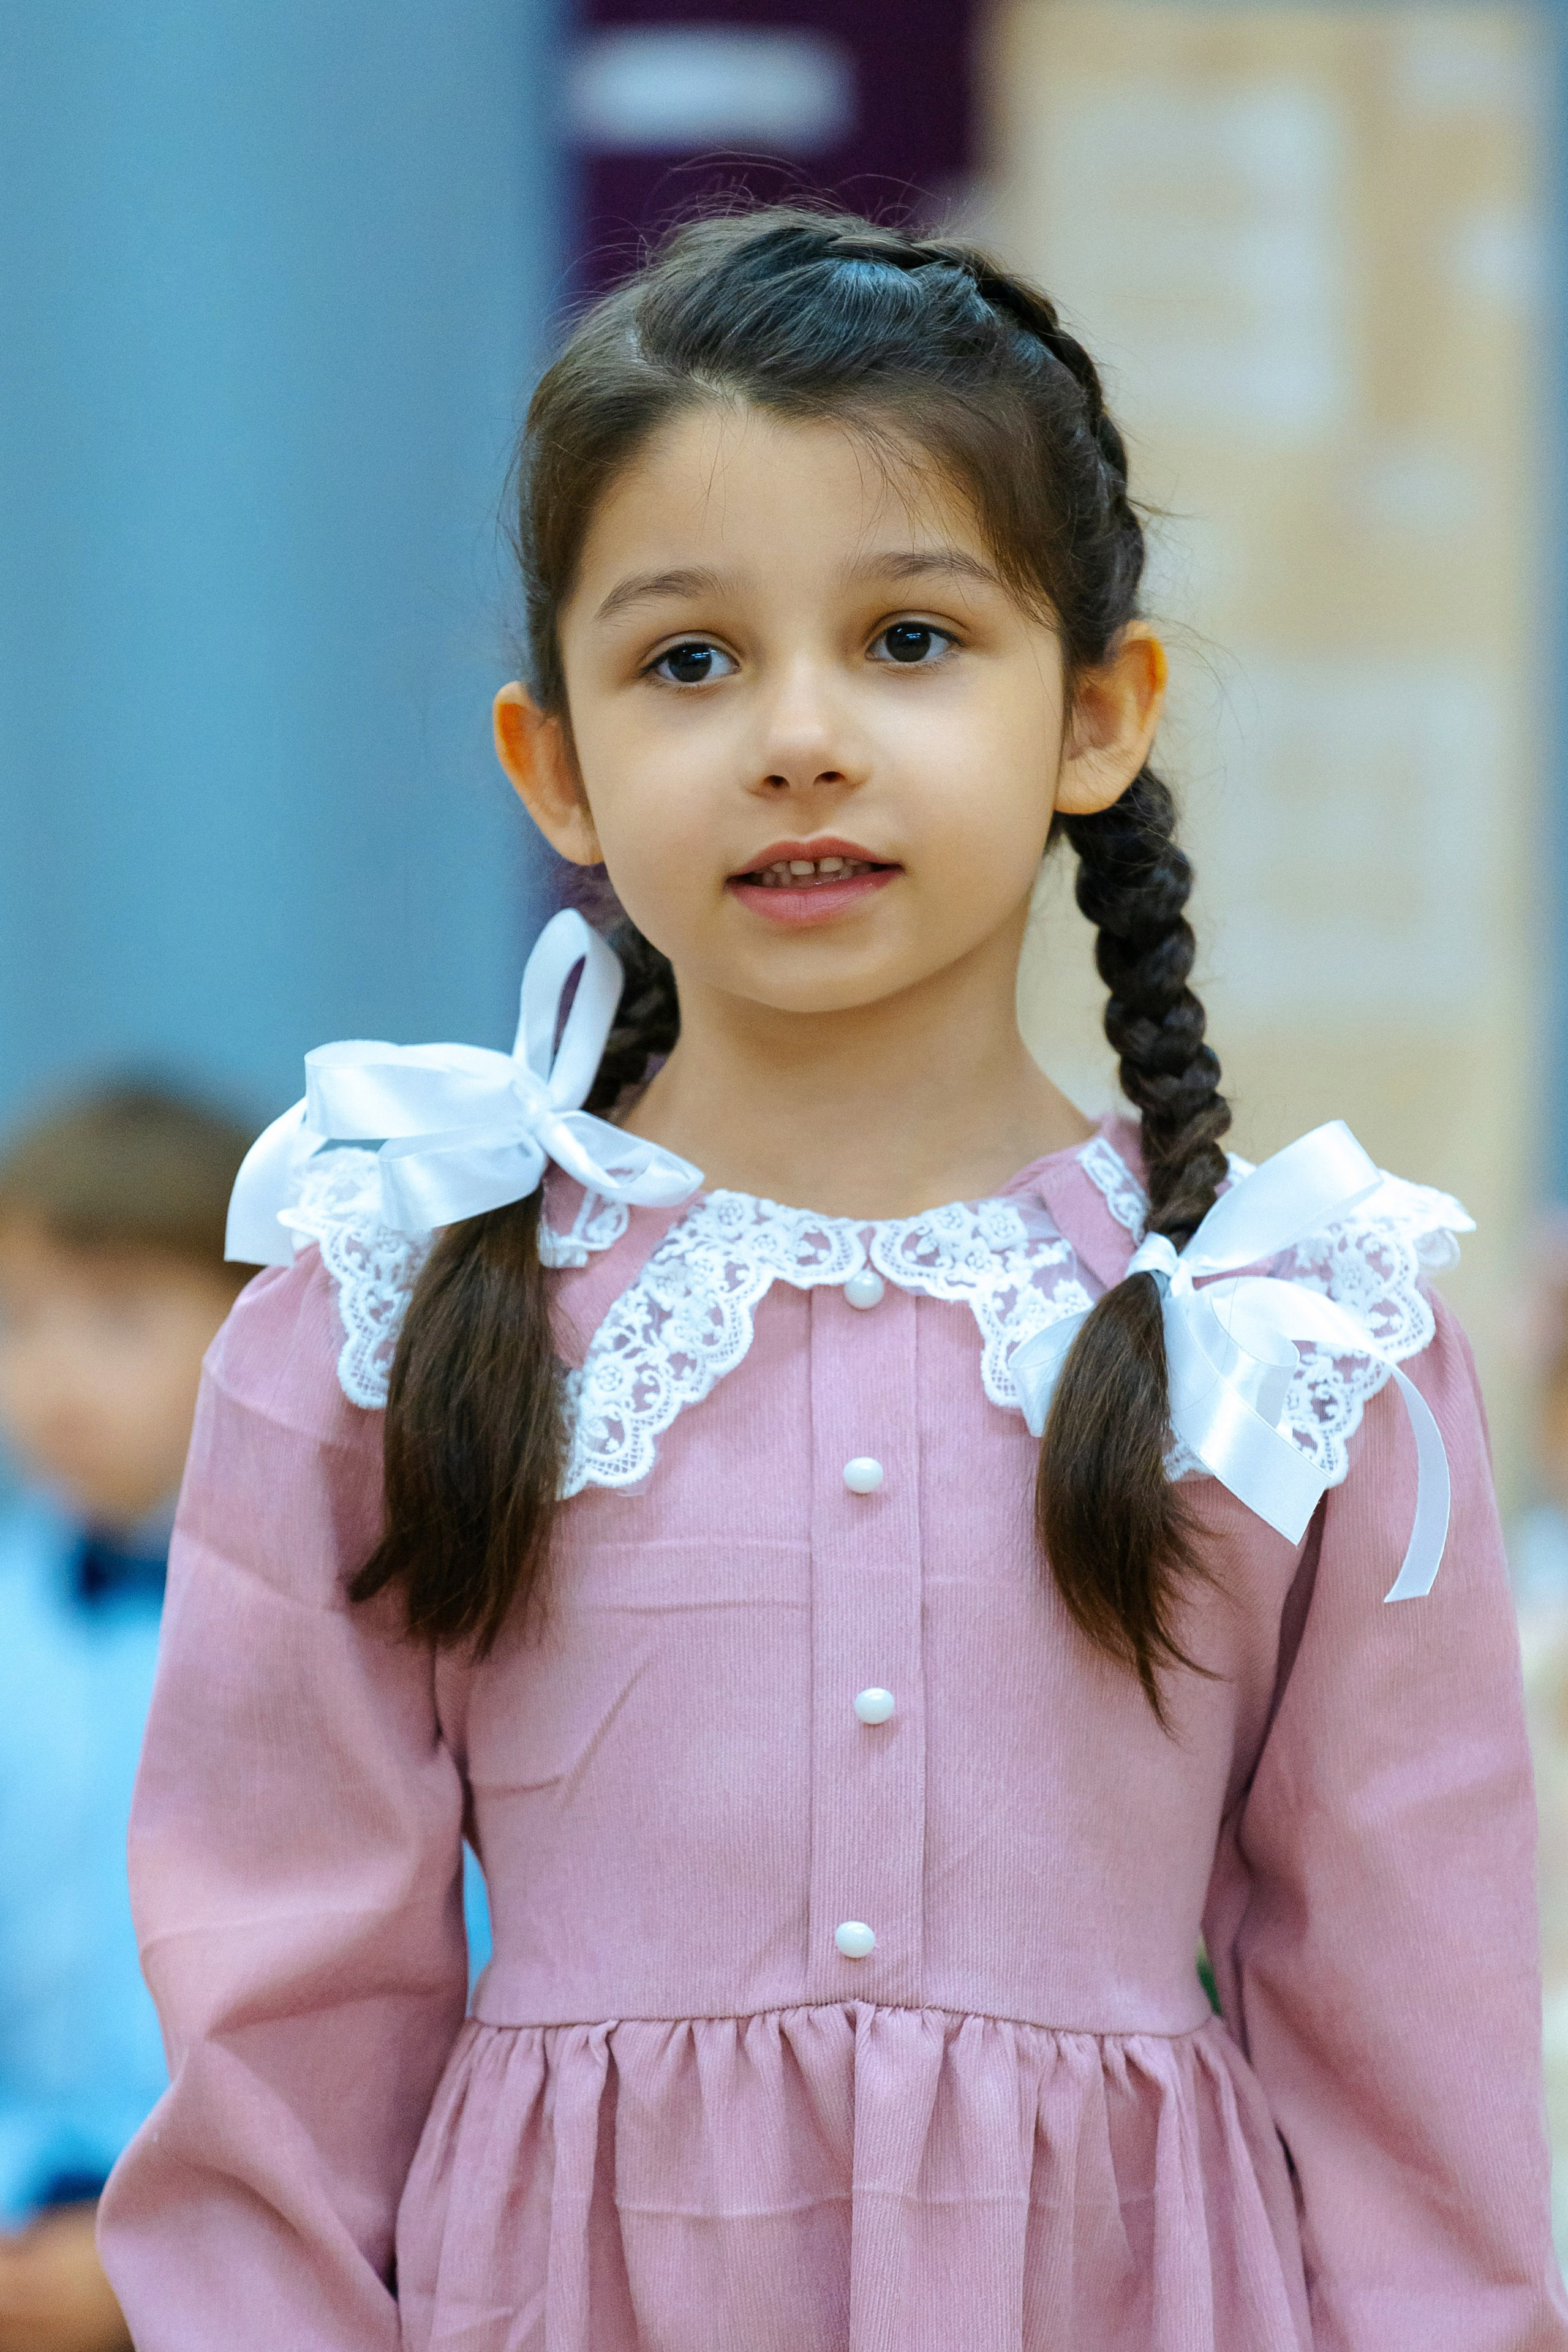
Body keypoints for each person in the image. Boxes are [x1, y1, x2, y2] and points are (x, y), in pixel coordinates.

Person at [98, 209, 1567, 2349]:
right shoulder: (391, 1301)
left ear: (1098, 715)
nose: (800, 737)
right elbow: (276, 2025)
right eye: (688, 660)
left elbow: (1411, 2047)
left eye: (909, 640)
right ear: (554, 764)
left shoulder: (1295, 1333)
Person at [0, 1084, 255, 2352]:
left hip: (251, 2247)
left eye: (118, 1322)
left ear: (254, 1327)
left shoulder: (335, 1638)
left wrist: (165, 2245)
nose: (55, 1378)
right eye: (22, 1323)